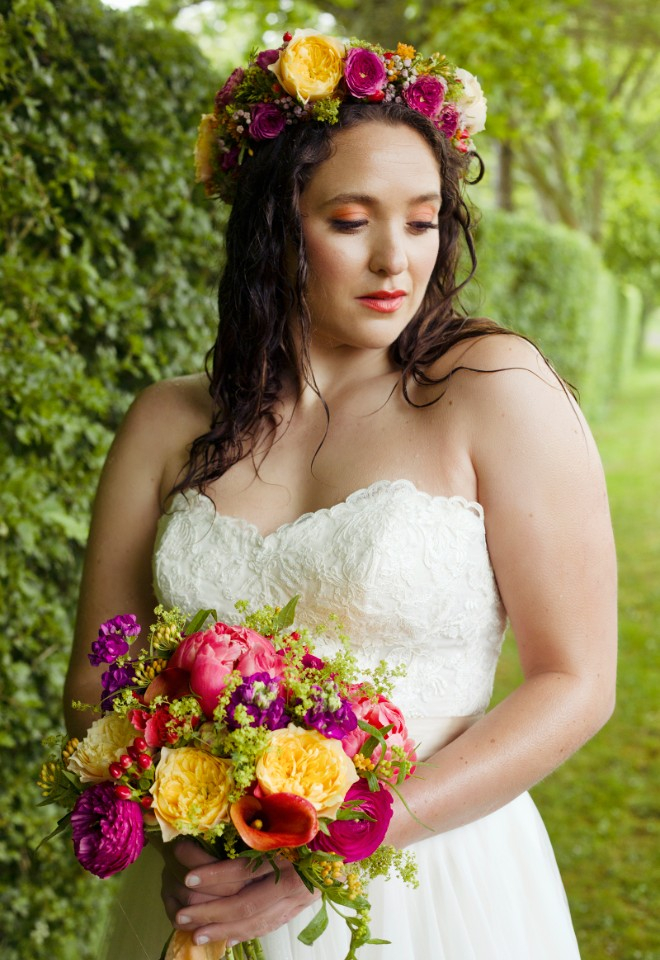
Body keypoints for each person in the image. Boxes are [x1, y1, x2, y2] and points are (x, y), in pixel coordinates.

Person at [64, 30, 617, 960]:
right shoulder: (165, 423)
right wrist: (188, 825)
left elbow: (577, 682)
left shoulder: (492, 387)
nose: (396, 262)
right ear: (273, 228)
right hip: (207, 899)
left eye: (424, 219)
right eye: (351, 222)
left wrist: (335, 842)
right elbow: (94, 683)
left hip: (434, 886)